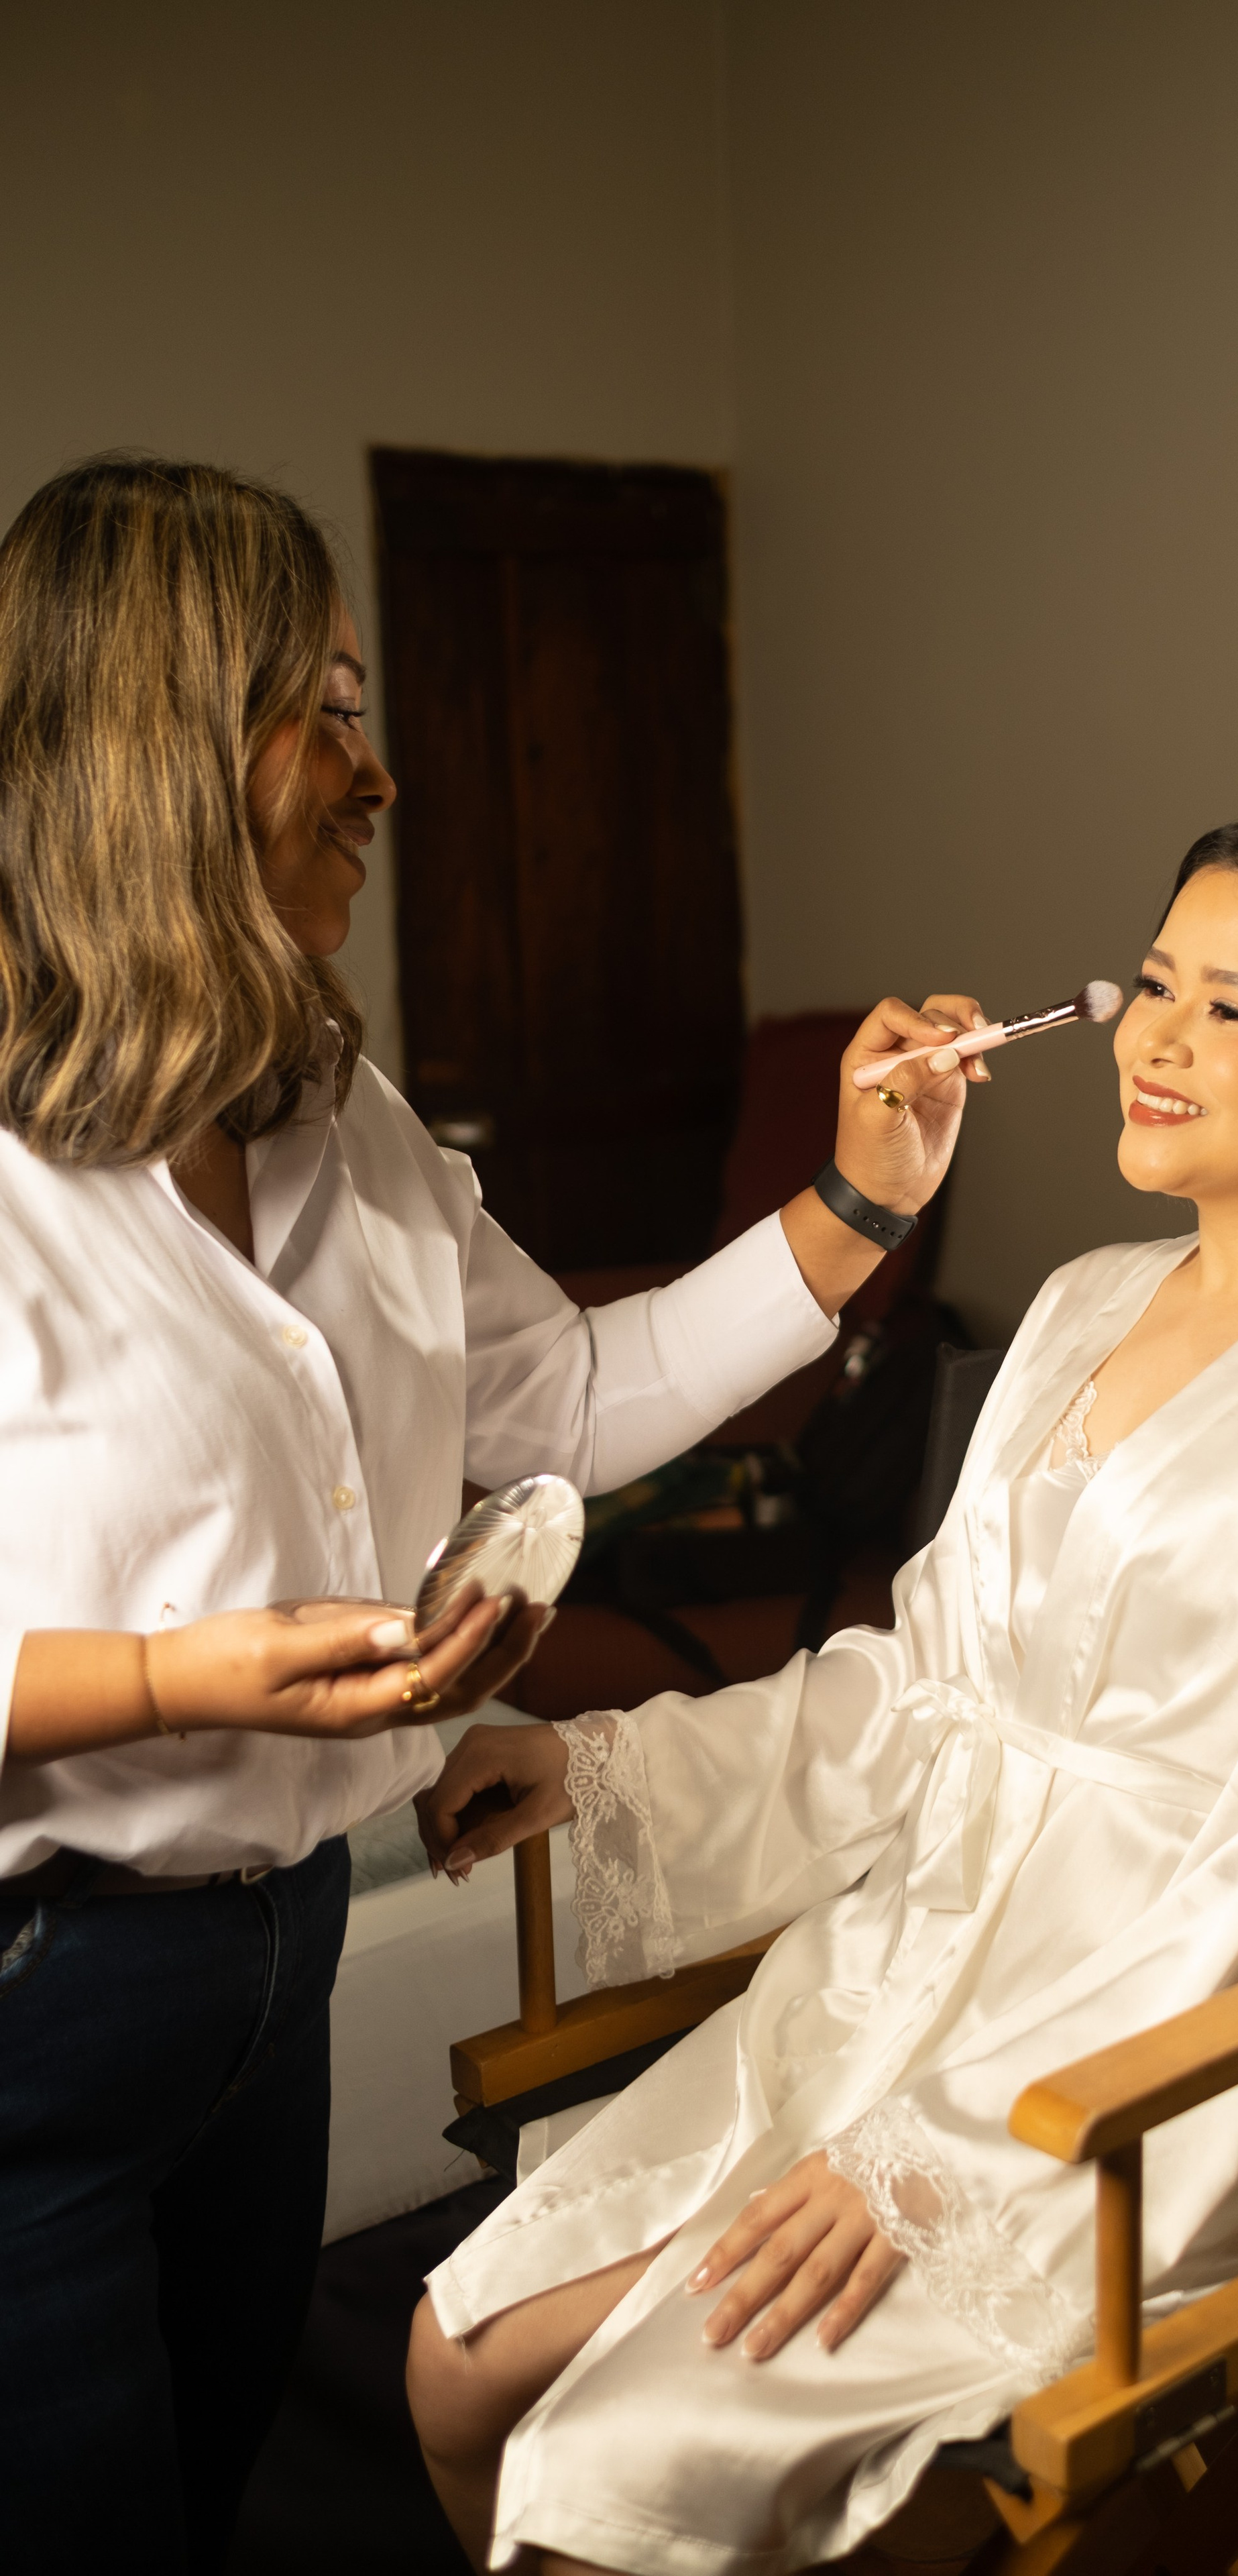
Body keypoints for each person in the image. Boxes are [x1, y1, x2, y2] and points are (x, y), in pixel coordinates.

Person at [0, 454, 984, 2576]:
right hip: (37, 2014)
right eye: (325, 712)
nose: (383, 777)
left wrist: (850, 1212)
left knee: (211, 2487)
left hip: (279, 1968)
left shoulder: (336, 1112)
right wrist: (181, 1676)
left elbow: (566, 1395)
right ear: (162, 742)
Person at [407, 798, 1238, 2576]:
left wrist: (942, 2167)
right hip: (902, 1978)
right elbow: (927, 1690)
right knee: (455, 2368)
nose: (1156, 1041)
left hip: (1149, 2087)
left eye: (1232, 1011)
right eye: (1155, 983)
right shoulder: (1087, 1305)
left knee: (614, 2492)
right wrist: (602, 1770)